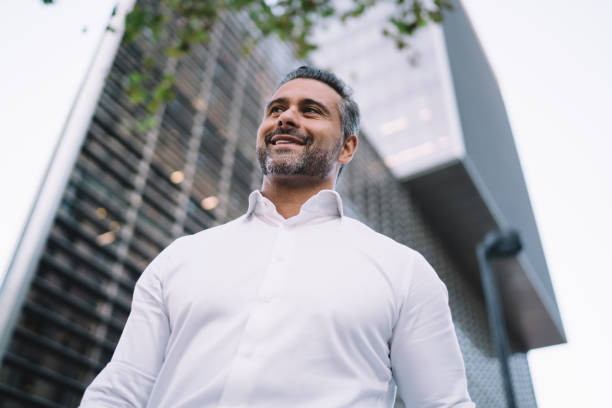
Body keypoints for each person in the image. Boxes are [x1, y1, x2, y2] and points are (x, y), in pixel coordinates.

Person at [81, 66, 475, 407]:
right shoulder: (180, 257)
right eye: (276, 109)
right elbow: (122, 389)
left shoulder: (403, 272)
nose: (286, 118)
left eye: (311, 111)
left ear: (347, 148)